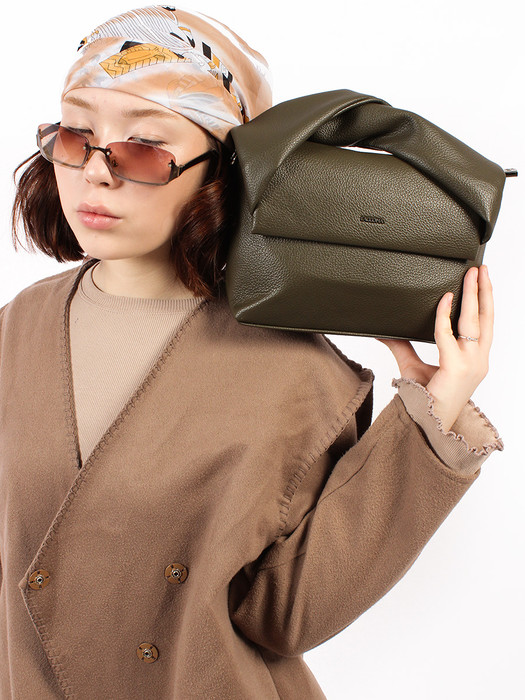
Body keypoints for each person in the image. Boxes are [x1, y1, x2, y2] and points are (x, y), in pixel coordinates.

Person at [0, 5, 504, 699]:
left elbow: (285, 616)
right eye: (75, 135)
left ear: (222, 170)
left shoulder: (298, 371)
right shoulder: (16, 330)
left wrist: (439, 404)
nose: (96, 173)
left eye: (143, 148)